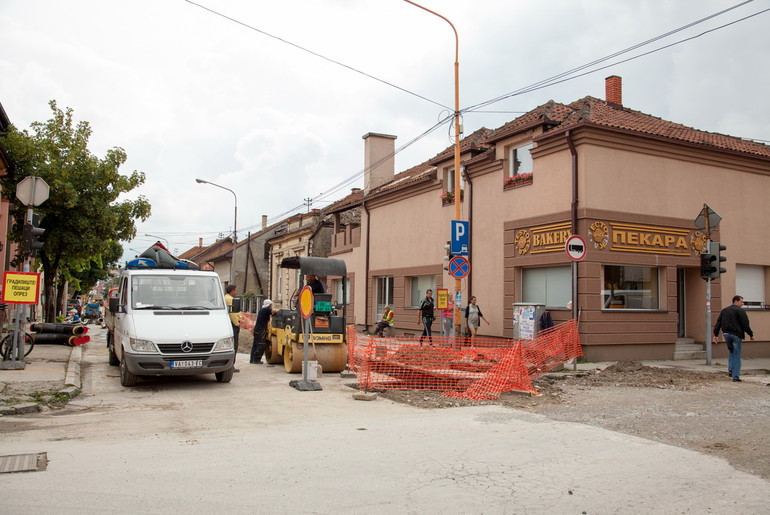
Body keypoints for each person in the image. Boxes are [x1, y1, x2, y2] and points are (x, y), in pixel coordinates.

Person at [713, 295, 755, 382]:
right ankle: (735, 377)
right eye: (741, 302)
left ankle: (731, 369)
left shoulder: (724, 310)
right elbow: (745, 325)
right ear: (736, 301)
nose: (743, 304)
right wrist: (751, 334)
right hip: (736, 335)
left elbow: (718, 322)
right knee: (736, 354)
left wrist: (716, 334)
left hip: (726, 334)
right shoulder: (740, 311)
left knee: (732, 351)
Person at [251, 299, 278, 364]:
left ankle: (252, 359)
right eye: (271, 305)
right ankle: (257, 360)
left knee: (255, 345)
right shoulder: (265, 309)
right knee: (261, 345)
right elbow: (274, 311)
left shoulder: (262, 310)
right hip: (261, 330)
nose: (271, 306)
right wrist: (281, 310)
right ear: (269, 305)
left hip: (258, 329)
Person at [224, 285, 242, 372]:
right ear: (232, 291)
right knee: (234, 345)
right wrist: (237, 323)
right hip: (233, 325)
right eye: (235, 291)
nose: (236, 292)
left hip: (228, 324)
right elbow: (233, 313)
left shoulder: (225, 298)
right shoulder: (230, 299)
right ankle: (231, 365)